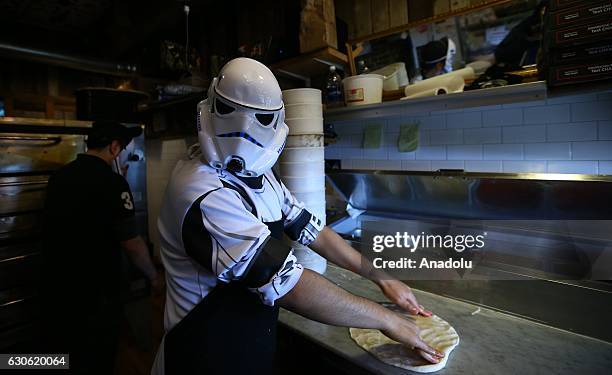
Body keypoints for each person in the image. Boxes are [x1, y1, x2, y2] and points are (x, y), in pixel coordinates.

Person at [151, 58, 444, 374]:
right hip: (204, 354)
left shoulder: (260, 175)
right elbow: (289, 284)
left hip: (248, 345)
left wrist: (381, 277)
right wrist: (386, 319)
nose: (244, 137)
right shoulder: (200, 191)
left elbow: (312, 230)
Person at [41, 121, 161, 375]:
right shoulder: (113, 183)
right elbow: (132, 243)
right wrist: (154, 276)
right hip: (96, 292)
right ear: (114, 147)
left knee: (64, 354)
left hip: (57, 284)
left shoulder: (59, 177)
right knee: (97, 356)